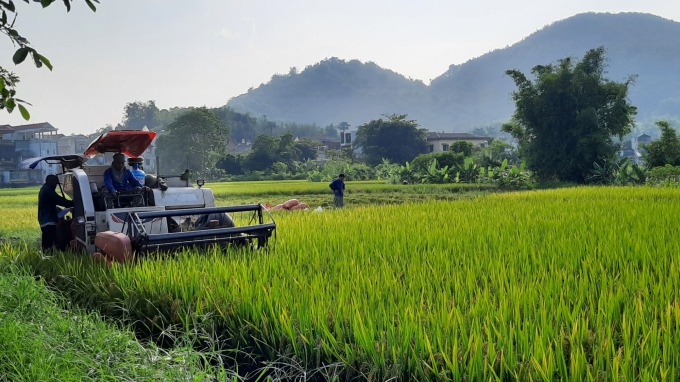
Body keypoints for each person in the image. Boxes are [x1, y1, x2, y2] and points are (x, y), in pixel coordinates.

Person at [38, 175, 74, 251]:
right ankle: (47, 258)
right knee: (48, 245)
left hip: (45, 220)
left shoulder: (45, 190)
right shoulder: (47, 191)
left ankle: (47, 257)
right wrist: (75, 202)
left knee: (48, 243)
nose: (55, 186)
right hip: (48, 221)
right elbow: (60, 201)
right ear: (49, 182)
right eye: (55, 183)